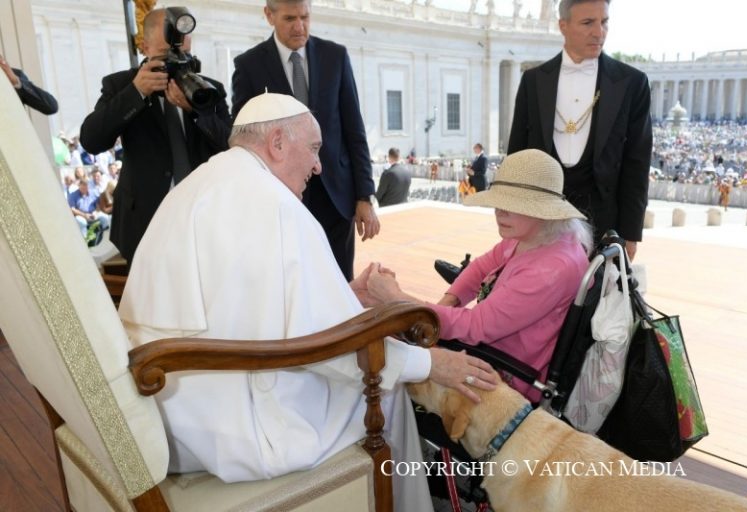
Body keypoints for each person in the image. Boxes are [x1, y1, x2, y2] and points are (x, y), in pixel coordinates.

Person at [118, 92, 497, 511]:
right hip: (231, 426)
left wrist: (344, 295)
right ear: (278, 142)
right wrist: (429, 363)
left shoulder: (199, 183)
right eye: (314, 149)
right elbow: (330, 349)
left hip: (172, 407)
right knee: (388, 395)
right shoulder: (277, 205)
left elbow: (251, 306)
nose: (318, 166)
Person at [366, 149, 592, 403]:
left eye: (513, 204)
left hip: (505, 375)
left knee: (386, 363)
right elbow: (481, 267)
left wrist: (397, 300)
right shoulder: (538, 236)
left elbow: (475, 327)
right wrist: (448, 302)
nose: (499, 211)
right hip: (499, 350)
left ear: (544, 210)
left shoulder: (550, 269)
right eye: (499, 201)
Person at [231, 0, 379, 281]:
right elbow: (243, 138)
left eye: (305, 17)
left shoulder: (335, 56)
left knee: (340, 281)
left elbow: (354, 131)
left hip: (336, 199)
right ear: (269, 15)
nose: (299, 27)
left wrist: (364, 196)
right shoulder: (249, 65)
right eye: (289, 19)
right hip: (281, 199)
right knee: (293, 283)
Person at [79, 8, 231, 265]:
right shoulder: (121, 85)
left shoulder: (208, 89)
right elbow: (91, 140)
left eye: (183, 54)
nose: (175, 63)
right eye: (164, 55)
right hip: (144, 222)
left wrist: (196, 111)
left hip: (203, 217)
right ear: (145, 47)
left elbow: (231, 146)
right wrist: (136, 92)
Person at [506, 0, 652, 261]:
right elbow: (518, 154)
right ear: (563, 26)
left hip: (605, 220)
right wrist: (512, 217)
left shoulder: (633, 83)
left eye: (604, 22)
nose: (599, 32)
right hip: (540, 216)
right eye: (588, 23)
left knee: (596, 287)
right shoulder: (533, 80)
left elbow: (637, 163)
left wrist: (630, 233)